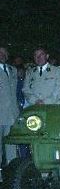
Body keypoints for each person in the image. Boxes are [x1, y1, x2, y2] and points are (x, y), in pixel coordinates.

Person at [0, 47, 19, 181]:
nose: (2, 55)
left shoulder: (13, 70)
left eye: (4, 53)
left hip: (12, 114)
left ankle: (12, 175)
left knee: (11, 145)